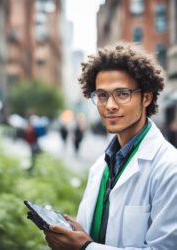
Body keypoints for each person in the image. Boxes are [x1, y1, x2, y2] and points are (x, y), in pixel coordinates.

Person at [44, 43, 177, 249]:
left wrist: (85, 248)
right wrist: (77, 236)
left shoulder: (170, 168)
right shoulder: (100, 166)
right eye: (102, 95)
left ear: (146, 98)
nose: (110, 105)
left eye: (122, 93)